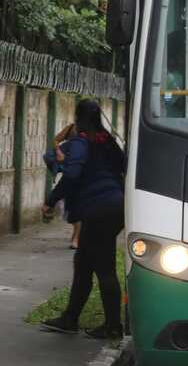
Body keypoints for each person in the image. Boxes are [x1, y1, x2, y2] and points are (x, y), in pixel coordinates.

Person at [40, 100, 126, 340]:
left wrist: (51, 199)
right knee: (84, 263)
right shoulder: (107, 140)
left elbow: (72, 175)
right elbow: (123, 166)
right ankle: (70, 319)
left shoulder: (80, 142)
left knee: (104, 268)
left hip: (98, 210)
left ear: (77, 117)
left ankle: (112, 326)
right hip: (116, 206)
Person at [44, 124, 82, 249]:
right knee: (72, 206)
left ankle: (76, 237)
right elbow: (56, 139)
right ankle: (76, 235)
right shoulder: (72, 127)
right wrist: (59, 152)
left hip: (83, 174)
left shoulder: (94, 132)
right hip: (71, 172)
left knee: (79, 205)